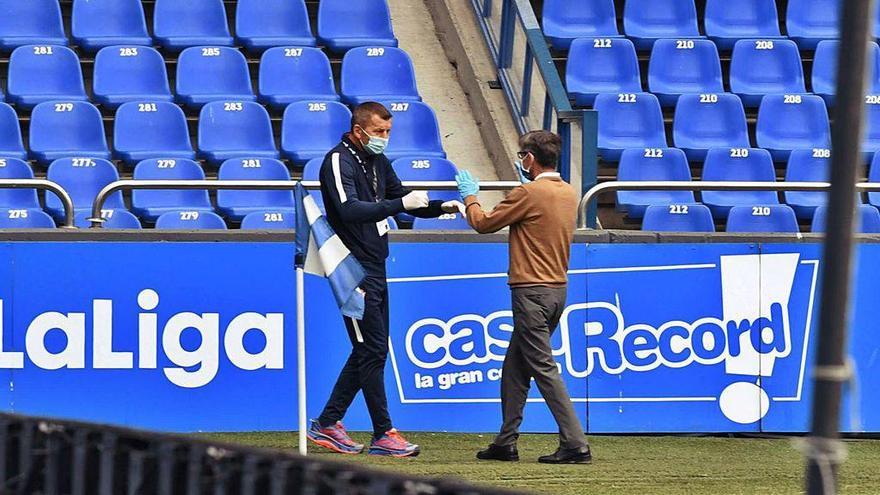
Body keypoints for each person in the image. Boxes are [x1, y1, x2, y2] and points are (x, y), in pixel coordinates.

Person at [307, 102, 462, 457]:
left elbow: (401, 199)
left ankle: (329, 422)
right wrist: (401, 204)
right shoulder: (337, 160)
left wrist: (440, 207)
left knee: (371, 349)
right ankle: (383, 432)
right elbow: (350, 210)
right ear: (359, 130)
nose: (384, 139)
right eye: (379, 132)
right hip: (352, 268)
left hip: (376, 265)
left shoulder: (377, 160)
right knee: (372, 349)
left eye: (388, 132)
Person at [455, 130, 592, 464]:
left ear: (530, 159)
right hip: (556, 290)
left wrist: (470, 197)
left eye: (522, 156)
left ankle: (575, 443)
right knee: (515, 367)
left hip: (530, 291)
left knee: (543, 368)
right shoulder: (568, 192)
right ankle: (505, 442)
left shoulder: (528, 193)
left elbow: (483, 224)